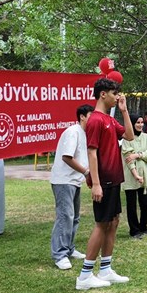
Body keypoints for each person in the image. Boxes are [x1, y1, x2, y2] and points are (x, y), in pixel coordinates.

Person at [75, 77, 136, 291]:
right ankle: (84, 275)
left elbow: (129, 135)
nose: (117, 96)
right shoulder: (95, 120)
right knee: (102, 223)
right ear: (103, 94)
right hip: (104, 180)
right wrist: (97, 183)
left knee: (114, 221)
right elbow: (92, 152)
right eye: (114, 93)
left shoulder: (109, 120)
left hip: (114, 179)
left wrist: (124, 110)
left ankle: (105, 269)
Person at [49, 105, 93, 270]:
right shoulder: (73, 132)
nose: (93, 119)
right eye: (90, 115)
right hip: (63, 181)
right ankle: (59, 254)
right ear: (82, 117)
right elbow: (67, 157)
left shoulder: (85, 134)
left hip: (75, 181)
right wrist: (86, 172)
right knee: (65, 216)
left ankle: (69, 248)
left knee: (73, 217)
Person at [122, 113, 147, 239]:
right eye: (137, 123)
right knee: (132, 205)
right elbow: (128, 157)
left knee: (145, 203)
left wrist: (137, 155)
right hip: (130, 176)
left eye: (142, 123)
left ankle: (143, 226)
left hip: (144, 175)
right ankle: (134, 230)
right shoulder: (126, 138)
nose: (140, 125)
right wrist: (135, 173)